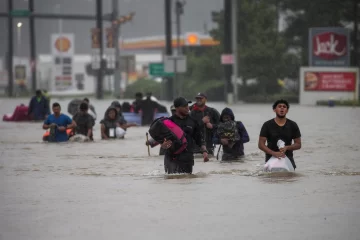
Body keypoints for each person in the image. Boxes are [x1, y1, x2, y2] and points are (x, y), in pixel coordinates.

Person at [161, 97, 209, 174]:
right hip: (172, 157)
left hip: (187, 157)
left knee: (187, 180)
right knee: (172, 179)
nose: (187, 108)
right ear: (177, 108)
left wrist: (204, 151)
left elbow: (199, 138)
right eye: (184, 106)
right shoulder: (169, 122)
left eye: (187, 105)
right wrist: (163, 144)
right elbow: (161, 138)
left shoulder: (192, 121)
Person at [258, 99, 302, 169]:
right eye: (279, 106)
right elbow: (261, 145)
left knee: (290, 179)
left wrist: (287, 147)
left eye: (284, 107)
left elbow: (298, 144)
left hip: (288, 162)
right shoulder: (267, 125)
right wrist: (274, 153)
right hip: (270, 161)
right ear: (274, 110)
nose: (282, 108)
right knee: (270, 179)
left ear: (287, 110)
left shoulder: (293, 125)